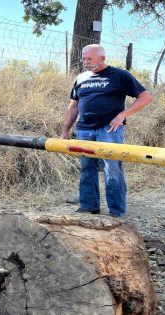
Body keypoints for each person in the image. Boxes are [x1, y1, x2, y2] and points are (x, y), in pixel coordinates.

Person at [61, 44, 153, 219]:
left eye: (90, 59)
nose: (85, 62)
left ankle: (116, 212)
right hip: (84, 130)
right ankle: (89, 206)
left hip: (109, 130)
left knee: (113, 169)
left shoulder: (120, 75)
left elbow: (146, 97)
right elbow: (73, 106)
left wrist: (122, 115)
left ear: (102, 58)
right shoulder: (81, 78)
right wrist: (65, 130)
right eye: (84, 58)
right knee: (87, 168)